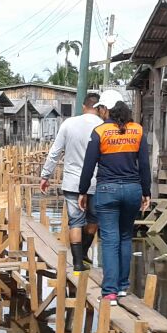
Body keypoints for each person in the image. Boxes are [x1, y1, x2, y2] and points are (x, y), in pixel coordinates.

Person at [77, 99, 150, 306]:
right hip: (133, 189)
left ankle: (109, 292)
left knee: (109, 240)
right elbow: (144, 164)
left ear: (105, 110)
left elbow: (88, 165)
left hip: (107, 190)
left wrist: (83, 191)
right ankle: (122, 286)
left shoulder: (100, 132)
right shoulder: (137, 130)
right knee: (125, 236)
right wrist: (146, 191)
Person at [39, 90, 112, 273]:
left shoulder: (69, 124)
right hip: (97, 182)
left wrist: (45, 175)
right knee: (94, 219)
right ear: (100, 108)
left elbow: (55, 152)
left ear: (83, 106)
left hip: (73, 181)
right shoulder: (104, 126)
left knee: (75, 222)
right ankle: (84, 253)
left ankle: (78, 263)